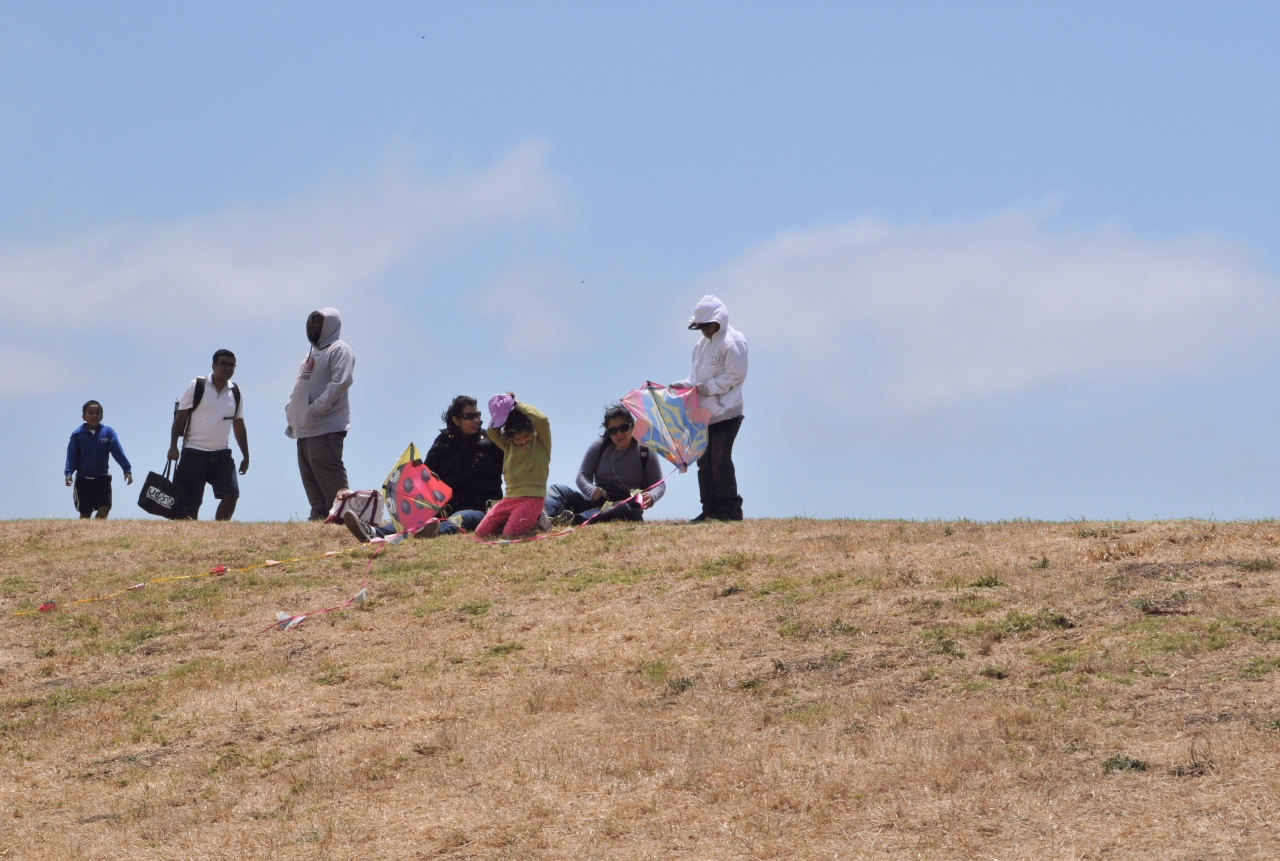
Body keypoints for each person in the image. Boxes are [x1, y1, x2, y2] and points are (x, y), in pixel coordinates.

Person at [342, 395, 504, 543]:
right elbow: (426, 476)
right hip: (446, 506)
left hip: (480, 508)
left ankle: (433, 532)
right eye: (469, 416)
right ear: (456, 420)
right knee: (416, 516)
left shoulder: (491, 441)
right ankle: (374, 532)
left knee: (461, 517)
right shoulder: (443, 442)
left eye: (478, 415)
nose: (477, 420)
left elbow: (512, 466)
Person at [672, 295, 748, 521]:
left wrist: (707, 388)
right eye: (700, 326)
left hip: (727, 411)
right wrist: (682, 386)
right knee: (704, 463)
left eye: (706, 325)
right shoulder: (701, 346)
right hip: (704, 414)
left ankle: (730, 511)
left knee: (720, 459)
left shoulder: (734, 341)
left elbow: (736, 376)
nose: (704, 330)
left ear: (719, 320)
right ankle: (710, 511)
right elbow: (695, 379)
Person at [285, 308, 355, 521]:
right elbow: (301, 386)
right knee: (310, 478)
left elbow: (341, 383)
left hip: (325, 427)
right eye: (311, 322)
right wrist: (291, 408)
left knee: (328, 474)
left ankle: (344, 517)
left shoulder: (339, 349)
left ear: (330, 324)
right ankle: (319, 517)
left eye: (318, 322)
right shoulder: (311, 353)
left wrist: (315, 408)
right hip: (304, 428)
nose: (312, 326)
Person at [544, 404, 664, 526]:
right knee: (557, 489)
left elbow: (659, 484)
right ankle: (547, 520)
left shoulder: (645, 451)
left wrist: (651, 496)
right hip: (597, 502)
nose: (619, 433)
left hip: (626, 507)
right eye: (613, 430)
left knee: (620, 506)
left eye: (624, 427)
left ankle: (575, 520)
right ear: (608, 432)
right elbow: (582, 476)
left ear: (632, 426)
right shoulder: (600, 446)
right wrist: (591, 490)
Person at [168, 350, 249, 520]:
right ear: (214, 366)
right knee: (191, 505)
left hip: (221, 455)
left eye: (231, 364)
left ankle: (218, 533)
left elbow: (238, 424)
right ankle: (192, 541)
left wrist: (246, 455)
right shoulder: (197, 385)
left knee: (232, 494)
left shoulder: (235, 392)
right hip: (194, 453)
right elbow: (180, 417)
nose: (228, 368)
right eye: (223, 364)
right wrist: (173, 446)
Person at [474, 394, 551, 539]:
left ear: (532, 431)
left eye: (526, 436)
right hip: (509, 498)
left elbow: (542, 420)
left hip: (532, 498)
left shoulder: (541, 443)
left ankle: (537, 519)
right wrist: (502, 412)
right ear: (510, 438)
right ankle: (530, 519)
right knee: (481, 533)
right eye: (517, 438)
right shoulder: (509, 446)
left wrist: (516, 403)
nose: (522, 441)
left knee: (510, 534)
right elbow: (491, 432)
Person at [65, 400, 133, 519]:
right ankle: (84, 535)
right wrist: (68, 473)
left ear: (102, 416)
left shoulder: (108, 432)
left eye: (97, 413)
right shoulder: (77, 435)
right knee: (85, 513)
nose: (94, 415)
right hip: (83, 479)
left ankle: (97, 532)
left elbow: (118, 452)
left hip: (102, 477)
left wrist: (127, 470)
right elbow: (71, 456)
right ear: (84, 417)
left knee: (105, 507)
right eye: (90, 412)